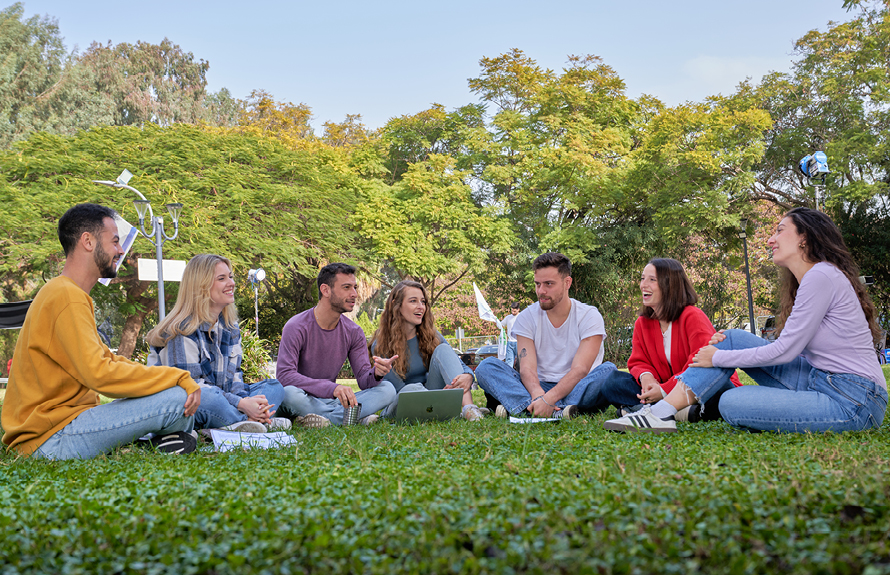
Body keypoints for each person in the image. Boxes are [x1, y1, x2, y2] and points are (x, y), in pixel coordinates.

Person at [605, 208, 887, 433]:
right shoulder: (812, 279)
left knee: (731, 402)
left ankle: (661, 411)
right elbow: (799, 349)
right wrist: (724, 350)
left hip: (854, 399)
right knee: (731, 337)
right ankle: (662, 413)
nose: (770, 239)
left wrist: (718, 358)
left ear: (805, 238)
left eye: (780, 231)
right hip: (818, 379)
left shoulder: (821, 276)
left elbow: (786, 351)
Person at [1, 203, 200, 459]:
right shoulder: (66, 296)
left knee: (178, 399)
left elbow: (107, 360)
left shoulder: (66, 293)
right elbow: (100, 374)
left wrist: (171, 377)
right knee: (177, 400)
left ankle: (149, 444)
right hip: (49, 439)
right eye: (115, 241)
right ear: (88, 241)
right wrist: (177, 378)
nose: (121, 250)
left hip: (64, 426)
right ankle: (153, 443)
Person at [146, 254, 289, 434]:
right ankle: (251, 421)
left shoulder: (229, 327)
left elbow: (235, 376)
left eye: (230, 277)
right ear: (201, 286)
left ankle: (242, 422)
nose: (231, 283)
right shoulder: (181, 329)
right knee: (208, 398)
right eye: (222, 279)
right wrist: (241, 403)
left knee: (274, 387)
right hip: (189, 402)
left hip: (223, 399)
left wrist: (245, 401)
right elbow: (191, 387)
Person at [475, 252, 617, 418]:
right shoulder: (526, 317)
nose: (541, 291)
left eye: (549, 284)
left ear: (567, 283)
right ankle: (558, 411)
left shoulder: (589, 316)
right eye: (538, 284)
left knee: (608, 371)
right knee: (486, 367)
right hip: (537, 387)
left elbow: (581, 370)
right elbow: (527, 369)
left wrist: (550, 399)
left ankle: (527, 409)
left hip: (578, 386)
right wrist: (539, 396)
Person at [598, 258, 741, 421]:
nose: (643, 285)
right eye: (642, 278)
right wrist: (646, 377)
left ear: (670, 285)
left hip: (701, 385)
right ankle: (680, 412)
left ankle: (650, 409)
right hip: (663, 386)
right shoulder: (642, 323)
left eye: (652, 280)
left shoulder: (693, 316)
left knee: (719, 395)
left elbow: (701, 365)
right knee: (613, 383)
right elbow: (638, 361)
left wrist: (664, 390)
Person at [277, 263, 397, 427]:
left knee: (387, 389)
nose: (354, 294)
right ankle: (350, 417)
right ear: (325, 290)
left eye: (354, 287)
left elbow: (364, 380)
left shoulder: (354, 332)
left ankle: (324, 420)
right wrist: (333, 388)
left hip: (331, 401)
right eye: (346, 287)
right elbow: (285, 376)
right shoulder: (296, 326)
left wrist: (376, 374)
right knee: (288, 393)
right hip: (303, 398)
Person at [370, 280, 487, 421]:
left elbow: (458, 364)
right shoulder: (381, 344)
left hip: (431, 394)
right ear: (397, 305)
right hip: (402, 401)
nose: (421, 307)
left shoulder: (431, 335)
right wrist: (437, 397)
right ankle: (447, 408)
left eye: (423, 302)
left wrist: (468, 376)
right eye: (413, 301)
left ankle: (469, 409)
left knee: (443, 349)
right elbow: (397, 390)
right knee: (412, 389)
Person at [501, 302, 521, 368]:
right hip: (510, 342)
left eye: (514, 311)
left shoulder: (521, 317)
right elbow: (501, 325)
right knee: (509, 361)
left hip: (519, 342)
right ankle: (508, 373)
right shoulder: (508, 317)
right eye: (512, 310)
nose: (513, 312)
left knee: (520, 362)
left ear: (518, 310)